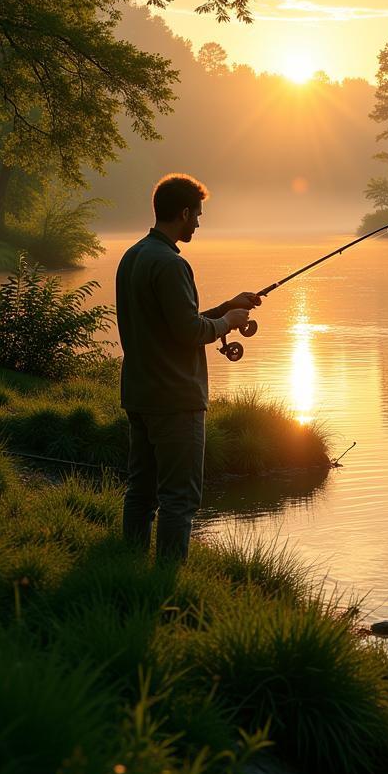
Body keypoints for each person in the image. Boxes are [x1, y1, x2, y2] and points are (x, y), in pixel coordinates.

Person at [115, 173, 261, 560]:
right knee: (179, 498)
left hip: (140, 393)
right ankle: (166, 579)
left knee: (140, 491)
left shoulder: (133, 256)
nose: (198, 222)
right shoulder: (171, 264)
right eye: (197, 215)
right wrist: (227, 324)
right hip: (176, 399)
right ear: (183, 213)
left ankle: (129, 563)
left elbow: (174, 322)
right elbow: (189, 332)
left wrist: (225, 307)